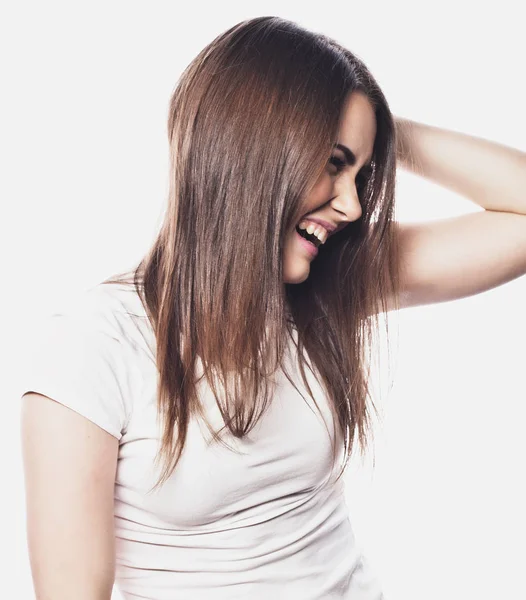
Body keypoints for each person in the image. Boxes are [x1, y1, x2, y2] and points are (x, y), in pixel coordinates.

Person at [19, 15, 526, 600]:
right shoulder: (93, 348)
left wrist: (379, 129)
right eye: (334, 163)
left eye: (359, 173)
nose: (352, 207)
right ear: (252, 148)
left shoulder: (328, 289)